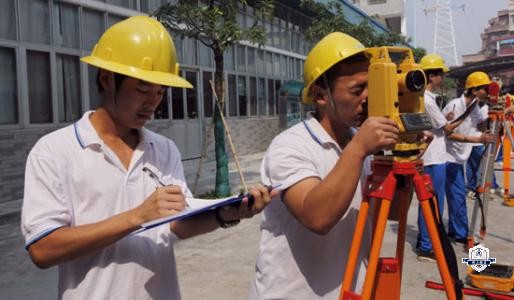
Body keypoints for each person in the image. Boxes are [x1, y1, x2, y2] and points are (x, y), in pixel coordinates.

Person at [21, 16, 273, 300]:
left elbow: (177, 224)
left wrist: (226, 214)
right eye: (143, 87)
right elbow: (42, 249)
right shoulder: (56, 151)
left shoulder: (163, 149)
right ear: (107, 79)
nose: (153, 101)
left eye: (160, 91)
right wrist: (137, 216)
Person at [248, 32, 400, 299]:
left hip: (349, 290)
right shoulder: (290, 145)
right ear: (321, 95)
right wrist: (359, 149)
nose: (368, 97)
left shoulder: (360, 144)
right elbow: (316, 217)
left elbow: (392, 213)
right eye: (357, 89)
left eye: (371, 86)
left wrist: (404, 161)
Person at [416, 54, 467, 262]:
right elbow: (445, 129)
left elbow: (435, 124)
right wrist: (460, 120)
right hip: (433, 159)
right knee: (432, 202)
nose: (442, 80)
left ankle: (427, 240)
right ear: (431, 76)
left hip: (434, 156)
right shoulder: (427, 100)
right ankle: (426, 245)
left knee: (430, 202)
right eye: (440, 75)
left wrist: (443, 120)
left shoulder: (426, 99)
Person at [442, 71, 494, 245]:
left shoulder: (475, 105)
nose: (487, 91)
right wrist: (478, 139)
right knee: (457, 195)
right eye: (485, 89)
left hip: (460, 156)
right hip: (448, 157)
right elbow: (448, 134)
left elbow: (482, 122)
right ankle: (462, 234)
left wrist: (496, 109)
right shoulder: (456, 106)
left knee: (455, 195)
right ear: (474, 90)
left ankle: (453, 229)